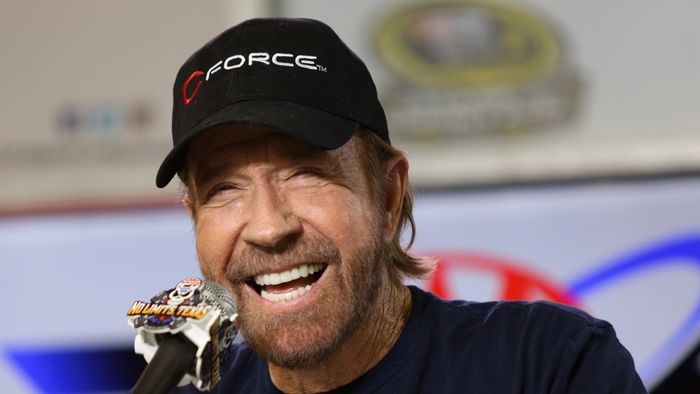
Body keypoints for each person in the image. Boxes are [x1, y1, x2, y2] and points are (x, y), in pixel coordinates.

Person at [156, 17, 647, 393]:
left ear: (389, 196)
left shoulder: (546, 367)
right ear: (194, 216)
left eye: (305, 172)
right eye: (223, 188)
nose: (267, 226)